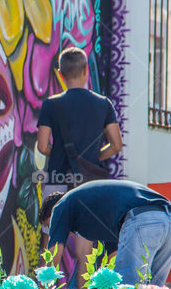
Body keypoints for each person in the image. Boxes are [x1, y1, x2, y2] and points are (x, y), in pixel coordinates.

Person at [40, 180, 171, 286]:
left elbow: (53, 256)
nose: (54, 229)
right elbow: (114, 256)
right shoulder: (99, 214)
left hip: (142, 220)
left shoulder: (61, 206)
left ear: (52, 213)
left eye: (50, 224)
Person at [37, 46, 123, 195]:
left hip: (58, 181)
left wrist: (59, 152)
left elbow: (43, 147)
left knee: (55, 218)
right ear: (86, 70)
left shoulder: (50, 104)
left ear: (61, 74)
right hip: (90, 183)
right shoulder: (104, 104)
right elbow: (116, 145)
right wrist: (92, 157)